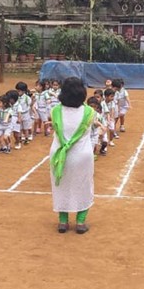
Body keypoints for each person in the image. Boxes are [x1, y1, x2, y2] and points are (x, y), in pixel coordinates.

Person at [49, 77, 95, 235]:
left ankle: (63, 222)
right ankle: (80, 222)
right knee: (83, 186)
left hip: (59, 154)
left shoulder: (55, 111)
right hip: (82, 155)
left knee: (61, 185)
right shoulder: (90, 112)